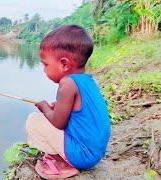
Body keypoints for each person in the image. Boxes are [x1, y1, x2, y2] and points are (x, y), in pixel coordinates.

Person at [26, 24, 111, 179]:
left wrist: (45, 107)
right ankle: (67, 158)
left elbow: (59, 123)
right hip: (94, 152)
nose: (44, 70)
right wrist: (58, 108)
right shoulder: (87, 80)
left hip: (82, 156)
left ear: (64, 64)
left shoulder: (67, 83)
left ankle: (63, 163)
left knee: (34, 121)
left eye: (45, 64)